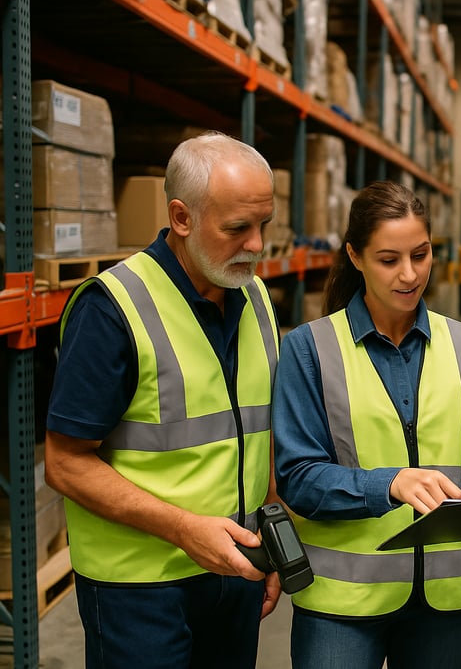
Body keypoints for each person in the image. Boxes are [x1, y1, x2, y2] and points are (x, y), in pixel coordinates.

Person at [272, 180, 461, 669]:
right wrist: (389, 483)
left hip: (446, 597)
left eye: (421, 254)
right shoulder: (309, 349)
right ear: (355, 256)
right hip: (342, 604)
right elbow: (298, 476)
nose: (410, 275)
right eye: (389, 260)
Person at [44, 130, 282, 668]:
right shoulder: (112, 309)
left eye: (264, 225)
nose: (257, 246)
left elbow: (258, 429)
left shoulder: (256, 296)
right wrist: (184, 529)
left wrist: (272, 535)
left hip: (234, 565)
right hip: (140, 585)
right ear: (181, 218)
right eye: (238, 228)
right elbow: (64, 464)